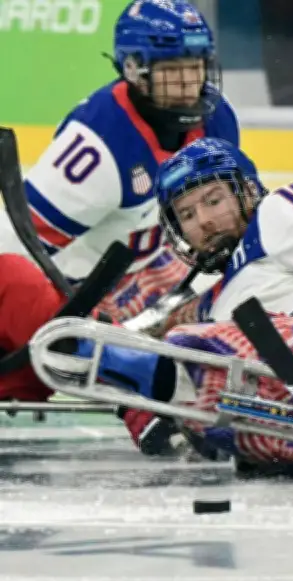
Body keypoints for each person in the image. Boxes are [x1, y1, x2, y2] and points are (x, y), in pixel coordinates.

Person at [56, 137, 293, 470]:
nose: (204, 221)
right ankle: (138, 386)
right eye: (187, 214)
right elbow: (161, 327)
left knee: (187, 350)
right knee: (180, 345)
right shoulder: (216, 300)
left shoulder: (275, 212)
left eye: (214, 200)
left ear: (248, 191)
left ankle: (124, 367)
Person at [0, 0, 238, 416]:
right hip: (72, 297)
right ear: (134, 71)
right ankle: (134, 391)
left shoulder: (218, 120)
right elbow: (10, 251)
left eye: (196, 65)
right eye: (172, 70)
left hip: (153, 281)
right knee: (13, 280)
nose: (188, 82)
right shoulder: (98, 145)